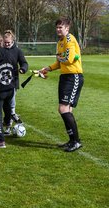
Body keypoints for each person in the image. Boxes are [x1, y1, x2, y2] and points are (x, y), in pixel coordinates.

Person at [40, 17, 84, 152]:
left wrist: (60, 57)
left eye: (61, 27)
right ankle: (73, 141)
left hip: (73, 76)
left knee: (63, 109)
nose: (58, 29)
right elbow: (60, 62)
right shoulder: (60, 42)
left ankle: (76, 141)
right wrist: (46, 69)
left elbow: (69, 59)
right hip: (65, 77)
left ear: (67, 28)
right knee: (67, 110)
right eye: (57, 27)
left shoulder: (70, 40)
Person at [2, 30, 28, 135]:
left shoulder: (17, 51)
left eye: (9, 42)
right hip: (2, 82)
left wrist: (22, 69)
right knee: (4, 105)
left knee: (10, 105)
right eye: (5, 43)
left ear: (12, 41)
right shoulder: (1, 51)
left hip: (13, 82)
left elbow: (24, 63)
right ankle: (8, 120)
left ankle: (8, 127)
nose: (7, 44)